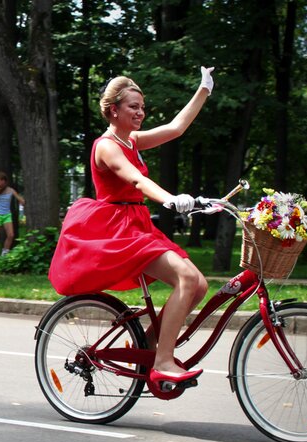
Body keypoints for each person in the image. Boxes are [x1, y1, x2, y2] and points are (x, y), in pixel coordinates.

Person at [48, 67, 214, 386]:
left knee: (200, 285)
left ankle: (148, 343)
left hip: (137, 223)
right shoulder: (107, 146)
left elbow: (177, 128)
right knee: (185, 277)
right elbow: (136, 178)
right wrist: (169, 199)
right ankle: (163, 362)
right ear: (114, 110)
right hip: (117, 228)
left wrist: (204, 89)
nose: (140, 112)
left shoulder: (133, 140)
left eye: (141, 107)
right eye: (133, 107)